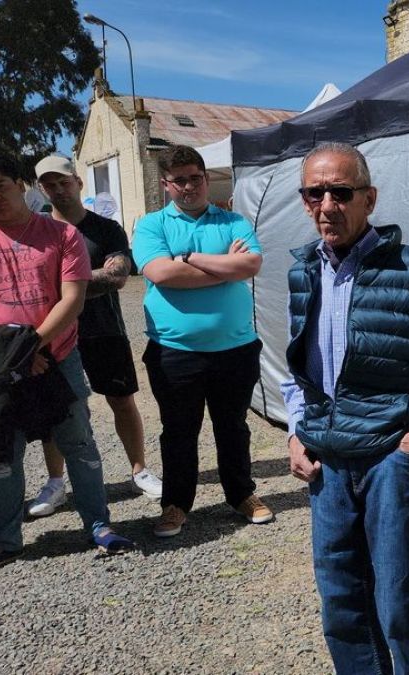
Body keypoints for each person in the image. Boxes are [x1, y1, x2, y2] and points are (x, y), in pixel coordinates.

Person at [281, 142, 409, 674]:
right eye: (315, 193)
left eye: (341, 192)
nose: (327, 205)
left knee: (399, 605)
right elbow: (298, 372)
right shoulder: (303, 272)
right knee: (341, 604)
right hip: (327, 463)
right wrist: (296, 433)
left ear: (369, 199)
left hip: (391, 460)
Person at [0, 151, 135, 578]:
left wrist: (31, 348)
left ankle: (99, 525)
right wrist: (11, 354)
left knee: (79, 444)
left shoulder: (61, 235)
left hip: (58, 358)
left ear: (21, 185)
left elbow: (72, 299)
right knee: (2, 454)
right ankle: (6, 541)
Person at [131, 145, 272, 538]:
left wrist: (189, 258)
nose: (189, 186)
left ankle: (241, 494)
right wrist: (223, 266)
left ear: (207, 179)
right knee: (179, 431)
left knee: (234, 427)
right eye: (180, 180)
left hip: (235, 349)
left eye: (196, 177)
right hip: (174, 352)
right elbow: (161, 274)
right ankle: (176, 504)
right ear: (166, 184)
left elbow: (251, 264)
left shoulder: (233, 220)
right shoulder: (151, 225)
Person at [21, 155, 162, 518]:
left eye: (64, 182)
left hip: (104, 330)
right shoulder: (35, 233)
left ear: (78, 183)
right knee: (56, 409)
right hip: (53, 333)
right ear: (41, 190)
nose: (58, 190)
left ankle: (139, 470)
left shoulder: (106, 229)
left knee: (122, 400)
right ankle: (56, 482)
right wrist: (82, 281)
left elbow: (117, 276)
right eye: (49, 185)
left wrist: (63, 284)